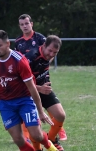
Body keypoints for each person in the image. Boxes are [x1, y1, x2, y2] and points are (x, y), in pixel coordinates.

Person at [0, 30, 61, 151]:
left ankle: (49, 145)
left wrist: (41, 112)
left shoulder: (19, 60)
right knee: (18, 139)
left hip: (24, 101)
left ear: (7, 44)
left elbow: (31, 87)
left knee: (35, 135)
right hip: (5, 104)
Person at [15, 14, 67, 142]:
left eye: (27, 23)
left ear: (31, 24)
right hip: (27, 81)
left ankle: (58, 132)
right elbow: (18, 67)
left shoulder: (40, 38)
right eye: (22, 24)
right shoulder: (18, 42)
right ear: (19, 26)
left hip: (41, 78)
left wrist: (43, 66)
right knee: (29, 111)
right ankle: (29, 137)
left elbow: (50, 53)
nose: (25, 26)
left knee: (54, 109)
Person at [25, 35, 66, 151]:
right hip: (29, 93)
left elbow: (49, 58)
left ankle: (52, 139)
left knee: (60, 115)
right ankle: (37, 149)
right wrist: (39, 88)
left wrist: (43, 88)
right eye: (50, 50)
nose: (51, 54)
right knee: (34, 125)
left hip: (45, 90)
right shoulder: (30, 59)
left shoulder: (49, 55)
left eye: (55, 52)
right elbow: (21, 82)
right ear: (43, 46)